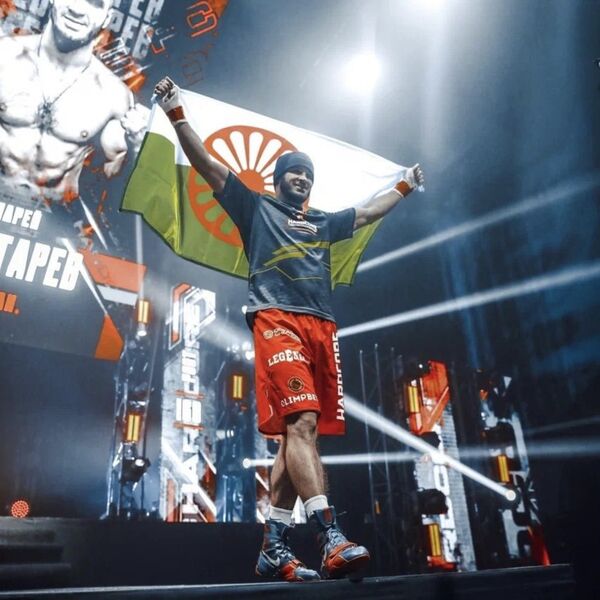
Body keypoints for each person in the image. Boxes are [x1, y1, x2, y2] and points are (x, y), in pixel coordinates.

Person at [154, 76, 424, 581]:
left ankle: (273, 545)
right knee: (300, 423)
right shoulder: (255, 206)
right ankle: (330, 536)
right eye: (294, 172)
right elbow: (208, 164)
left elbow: (368, 212)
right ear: (278, 179)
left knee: (297, 436)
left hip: (321, 326)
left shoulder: (322, 221)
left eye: (307, 174)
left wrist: (404, 185)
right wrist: (176, 113)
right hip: (275, 318)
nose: (301, 178)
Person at [0, 0, 148, 203]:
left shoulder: (114, 96)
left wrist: (137, 147)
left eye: (95, 3)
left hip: (53, 214)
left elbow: (112, 179)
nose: (77, 9)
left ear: (107, 18)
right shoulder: (4, 57)